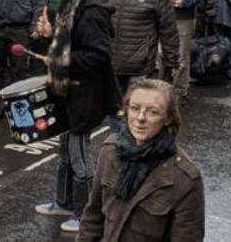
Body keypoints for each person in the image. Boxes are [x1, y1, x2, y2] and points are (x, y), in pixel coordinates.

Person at [35, 0, 120, 235]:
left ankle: (84, 213)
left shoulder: (95, 11)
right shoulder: (74, 1)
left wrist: (62, 61)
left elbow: (99, 56)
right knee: (64, 150)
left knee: (79, 152)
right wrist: (50, 36)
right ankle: (63, 201)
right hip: (69, 88)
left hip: (87, 91)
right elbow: (66, 41)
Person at [78, 79, 205, 241]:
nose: (140, 118)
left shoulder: (185, 179)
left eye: (152, 112)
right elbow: (93, 217)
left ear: (168, 118)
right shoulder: (110, 151)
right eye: (135, 108)